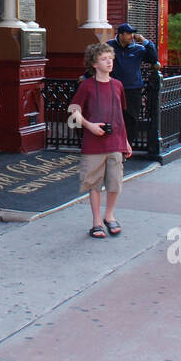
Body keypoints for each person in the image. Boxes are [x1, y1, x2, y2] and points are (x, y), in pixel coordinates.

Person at [68, 42, 132, 239]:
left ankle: (109, 215)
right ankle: (96, 221)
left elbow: (120, 116)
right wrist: (90, 126)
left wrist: (126, 141)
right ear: (94, 63)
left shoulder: (118, 85)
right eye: (104, 59)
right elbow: (73, 112)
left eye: (110, 58)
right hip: (93, 143)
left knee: (115, 183)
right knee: (93, 183)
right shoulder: (86, 86)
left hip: (115, 142)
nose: (109, 62)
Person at [107, 22, 158, 150]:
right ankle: (113, 144)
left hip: (133, 89)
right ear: (121, 35)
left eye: (132, 33)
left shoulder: (138, 49)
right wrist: (86, 76)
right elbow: (98, 60)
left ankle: (126, 145)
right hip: (114, 88)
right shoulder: (109, 46)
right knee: (113, 116)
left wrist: (144, 41)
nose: (132, 36)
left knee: (131, 118)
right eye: (129, 33)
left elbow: (153, 58)